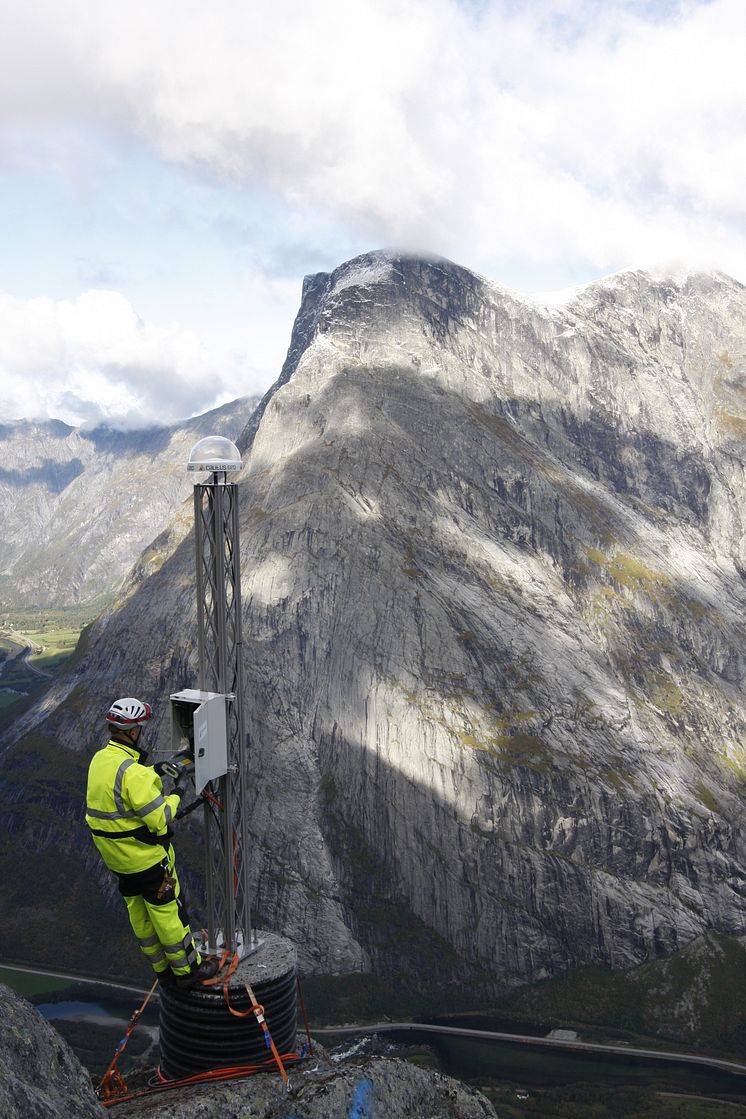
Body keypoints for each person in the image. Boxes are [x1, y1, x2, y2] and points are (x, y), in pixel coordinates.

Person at [85, 696, 218, 988]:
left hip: (118, 861)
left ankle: (163, 971)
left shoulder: (102, 760)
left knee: (141, 918)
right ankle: (188, 972)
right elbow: (161, 818)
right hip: (147, 862)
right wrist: (178, 791)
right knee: (169, 915)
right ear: (134, 731)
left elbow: (122, 783)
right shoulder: (132, 773)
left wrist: (155, 771)